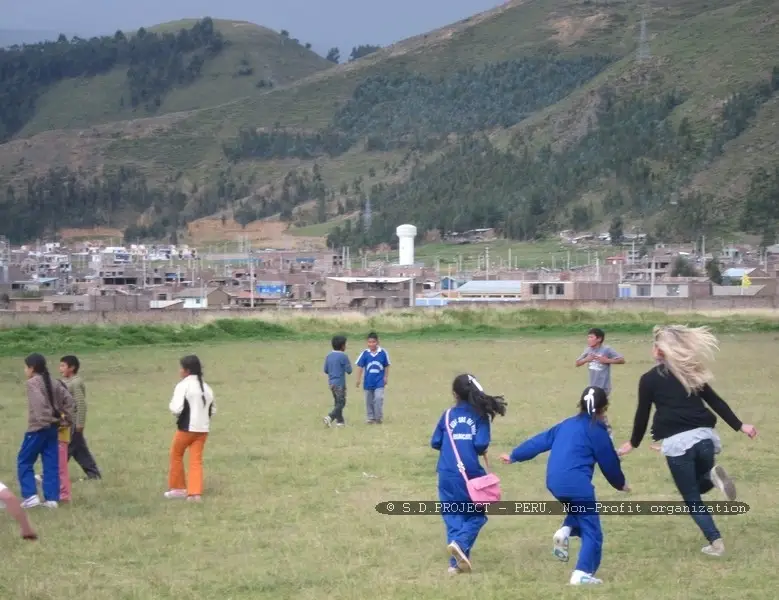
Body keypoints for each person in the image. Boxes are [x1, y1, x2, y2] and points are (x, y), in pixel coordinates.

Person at [617, 325, 758, 557]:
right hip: (705, 438)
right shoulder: (690, 372)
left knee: (692, 497)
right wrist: (741, 425)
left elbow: (642, 414)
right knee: (701, 482)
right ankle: (714, 478)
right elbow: (716, 401)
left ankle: (716, 543)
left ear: (659, 351)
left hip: (678, 444)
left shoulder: (648, 380)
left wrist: (633, 443)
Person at [500, 387, 629, 585]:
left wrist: (515, 455)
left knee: (579, 510)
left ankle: (565, 530)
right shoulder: (598, 431)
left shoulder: (566, 424)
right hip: (576, 484)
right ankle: (582, 574)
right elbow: (609, 462)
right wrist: (620, 484)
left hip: (554, 481)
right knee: (592, 531)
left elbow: (539, 441)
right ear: (604, 408)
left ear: (580, 404)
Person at [430, 374, 507, 575]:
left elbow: (435, 442)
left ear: (455, 394)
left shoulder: (447, 415)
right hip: (470, 474)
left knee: (453, 516)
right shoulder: (480, 416)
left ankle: (455, 565)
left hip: (447, 472)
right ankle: (461, 544)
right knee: (475, 516)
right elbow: (480, 444)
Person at [18, 353, 75, 509]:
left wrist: (45, 420)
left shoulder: (32, 383)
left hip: (38, 428)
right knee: (51, 464)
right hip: (53, 430)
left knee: (24, 461)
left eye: (25, 367)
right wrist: (66, 420)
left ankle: (30, 496)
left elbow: (39, 405)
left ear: (32, 368)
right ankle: (51, 499)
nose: (25, 370)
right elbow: (69, 401)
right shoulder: (54, 381)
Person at [165, 355, 216, 502]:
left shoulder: (184, 385)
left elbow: (176, 408)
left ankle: (178, 488)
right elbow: (213, 410)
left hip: (186, 429)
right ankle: (195, 493)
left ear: (187, 370)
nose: (179, 371)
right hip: (203, 429)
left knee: (176, 454)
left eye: (181, 368)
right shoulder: (206, 387)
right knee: (196, 460)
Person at [575, 328, 625, 437]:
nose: (588, 339)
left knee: (596, 409)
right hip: (592, 387)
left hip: (603, 387)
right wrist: (586, 359)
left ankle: (605, 430)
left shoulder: (607, 350)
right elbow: (577, 363)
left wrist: (607, 361)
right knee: (593, 409)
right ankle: (600, 429)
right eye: (588, 337)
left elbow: (622, 360)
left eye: (591, 337)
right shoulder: (588, 350)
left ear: (599, 339)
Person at [60, 355, 102, 480]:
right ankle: (93, 474)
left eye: (63, 365)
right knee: (79, 449)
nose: (60, 368)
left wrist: (80, 423)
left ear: (72, 367)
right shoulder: (66, 382)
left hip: (73, 423)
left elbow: (81, 404)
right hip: (66, 422)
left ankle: (51, 474)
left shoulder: (76, 382)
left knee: (65, 449)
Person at [355, 332, 390, 424]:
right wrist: (358, 379)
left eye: (373, 342)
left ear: (377, 342)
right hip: (368, 381)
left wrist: (386, 377)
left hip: (379, 381)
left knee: (378, 398)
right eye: (369, 342)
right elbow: (360, 366)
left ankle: (378, 417)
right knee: (369, 400)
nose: (371, 344)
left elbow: (386, 365)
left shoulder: (382, 353)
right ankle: (371, 418)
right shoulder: (365, 354)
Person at [323, 335, 352, 427]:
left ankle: (340, 422)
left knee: (337, 402)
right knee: (341, 403)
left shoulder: (328, 356)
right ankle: (330, 417)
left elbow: (326, 370)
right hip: (340, 383)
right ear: (342, 346)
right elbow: (349, 370)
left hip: (331, 383)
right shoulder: (343, 356)